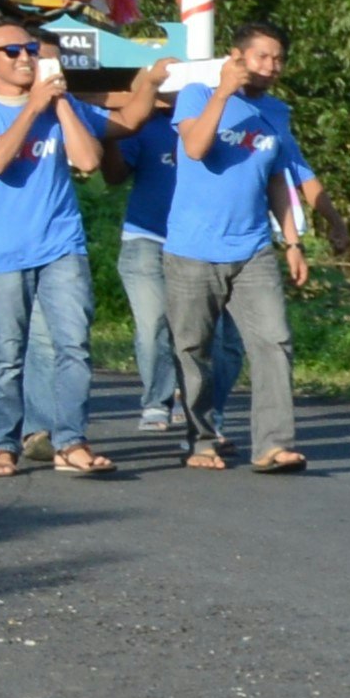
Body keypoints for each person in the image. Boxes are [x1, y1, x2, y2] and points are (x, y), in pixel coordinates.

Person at [0, 10, 121, 477]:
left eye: (30, 49)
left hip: (61, 244)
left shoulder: (54, 106)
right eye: (13, 51)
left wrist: (61, 102)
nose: (25, 57)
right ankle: (5, 444)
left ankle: (72, 441)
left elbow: (88, 159)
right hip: (1, 249)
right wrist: (31, 109)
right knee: (7, 353)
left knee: (74, 345)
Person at [166, 23, 312, 473]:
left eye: (278, 58)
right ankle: (203, 440)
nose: (271, 66)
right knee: (193, 349)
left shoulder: (277, 112)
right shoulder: (196, 94)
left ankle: (273, 445)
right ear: (237, 57)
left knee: (274, 340)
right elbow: (194, 147)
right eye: (262, 56)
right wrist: (222, 95)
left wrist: (292, 241)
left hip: (252, 248)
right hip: (192, 248)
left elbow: (276, 179)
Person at [105, 59, 242, 433]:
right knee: (154, 324)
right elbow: (114, 177)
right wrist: (109, 136)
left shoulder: (226, 122)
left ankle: (203, 404)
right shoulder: (147, 127)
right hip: (147, 238)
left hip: (207, 242)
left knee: (219, 337)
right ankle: (157, 400)